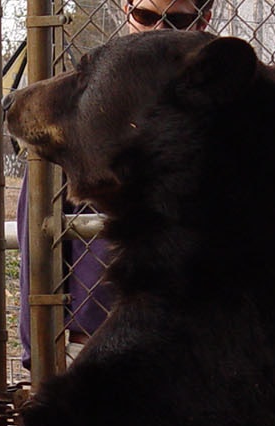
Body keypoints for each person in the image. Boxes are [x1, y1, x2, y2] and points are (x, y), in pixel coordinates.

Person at [16, 0, 214, 372]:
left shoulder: (222, 107)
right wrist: (38, 352)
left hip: (192, 344)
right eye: (146, 16)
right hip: (92, 340)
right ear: (126, 10)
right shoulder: (83, 106)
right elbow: (35, 240)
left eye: (177, 20)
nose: (159, 31)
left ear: (204, 19)